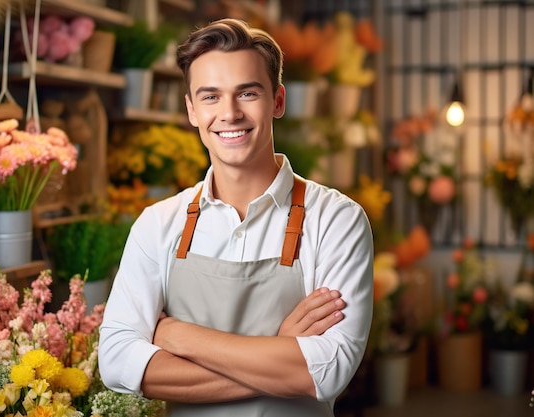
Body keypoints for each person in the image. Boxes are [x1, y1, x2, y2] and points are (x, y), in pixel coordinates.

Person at [98, 18, 374, 417]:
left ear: (277, 101)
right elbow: (117, 362)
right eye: (210, 97)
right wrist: (278, 350)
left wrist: (177, 335)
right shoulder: (158, 225)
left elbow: (326, 371)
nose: (229, 113)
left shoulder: (336, 221)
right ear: (192, 110)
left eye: (247, 93)